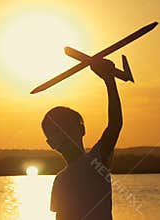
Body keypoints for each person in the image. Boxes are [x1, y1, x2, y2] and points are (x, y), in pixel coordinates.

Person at [41, 58, 123, 220]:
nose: (63, 134)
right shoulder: (60, 180)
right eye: (56, 131)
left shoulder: (97, 161)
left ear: (82, 129)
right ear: (51, 143)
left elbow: (115, 124)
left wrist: (109, 80)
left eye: (67, 127)